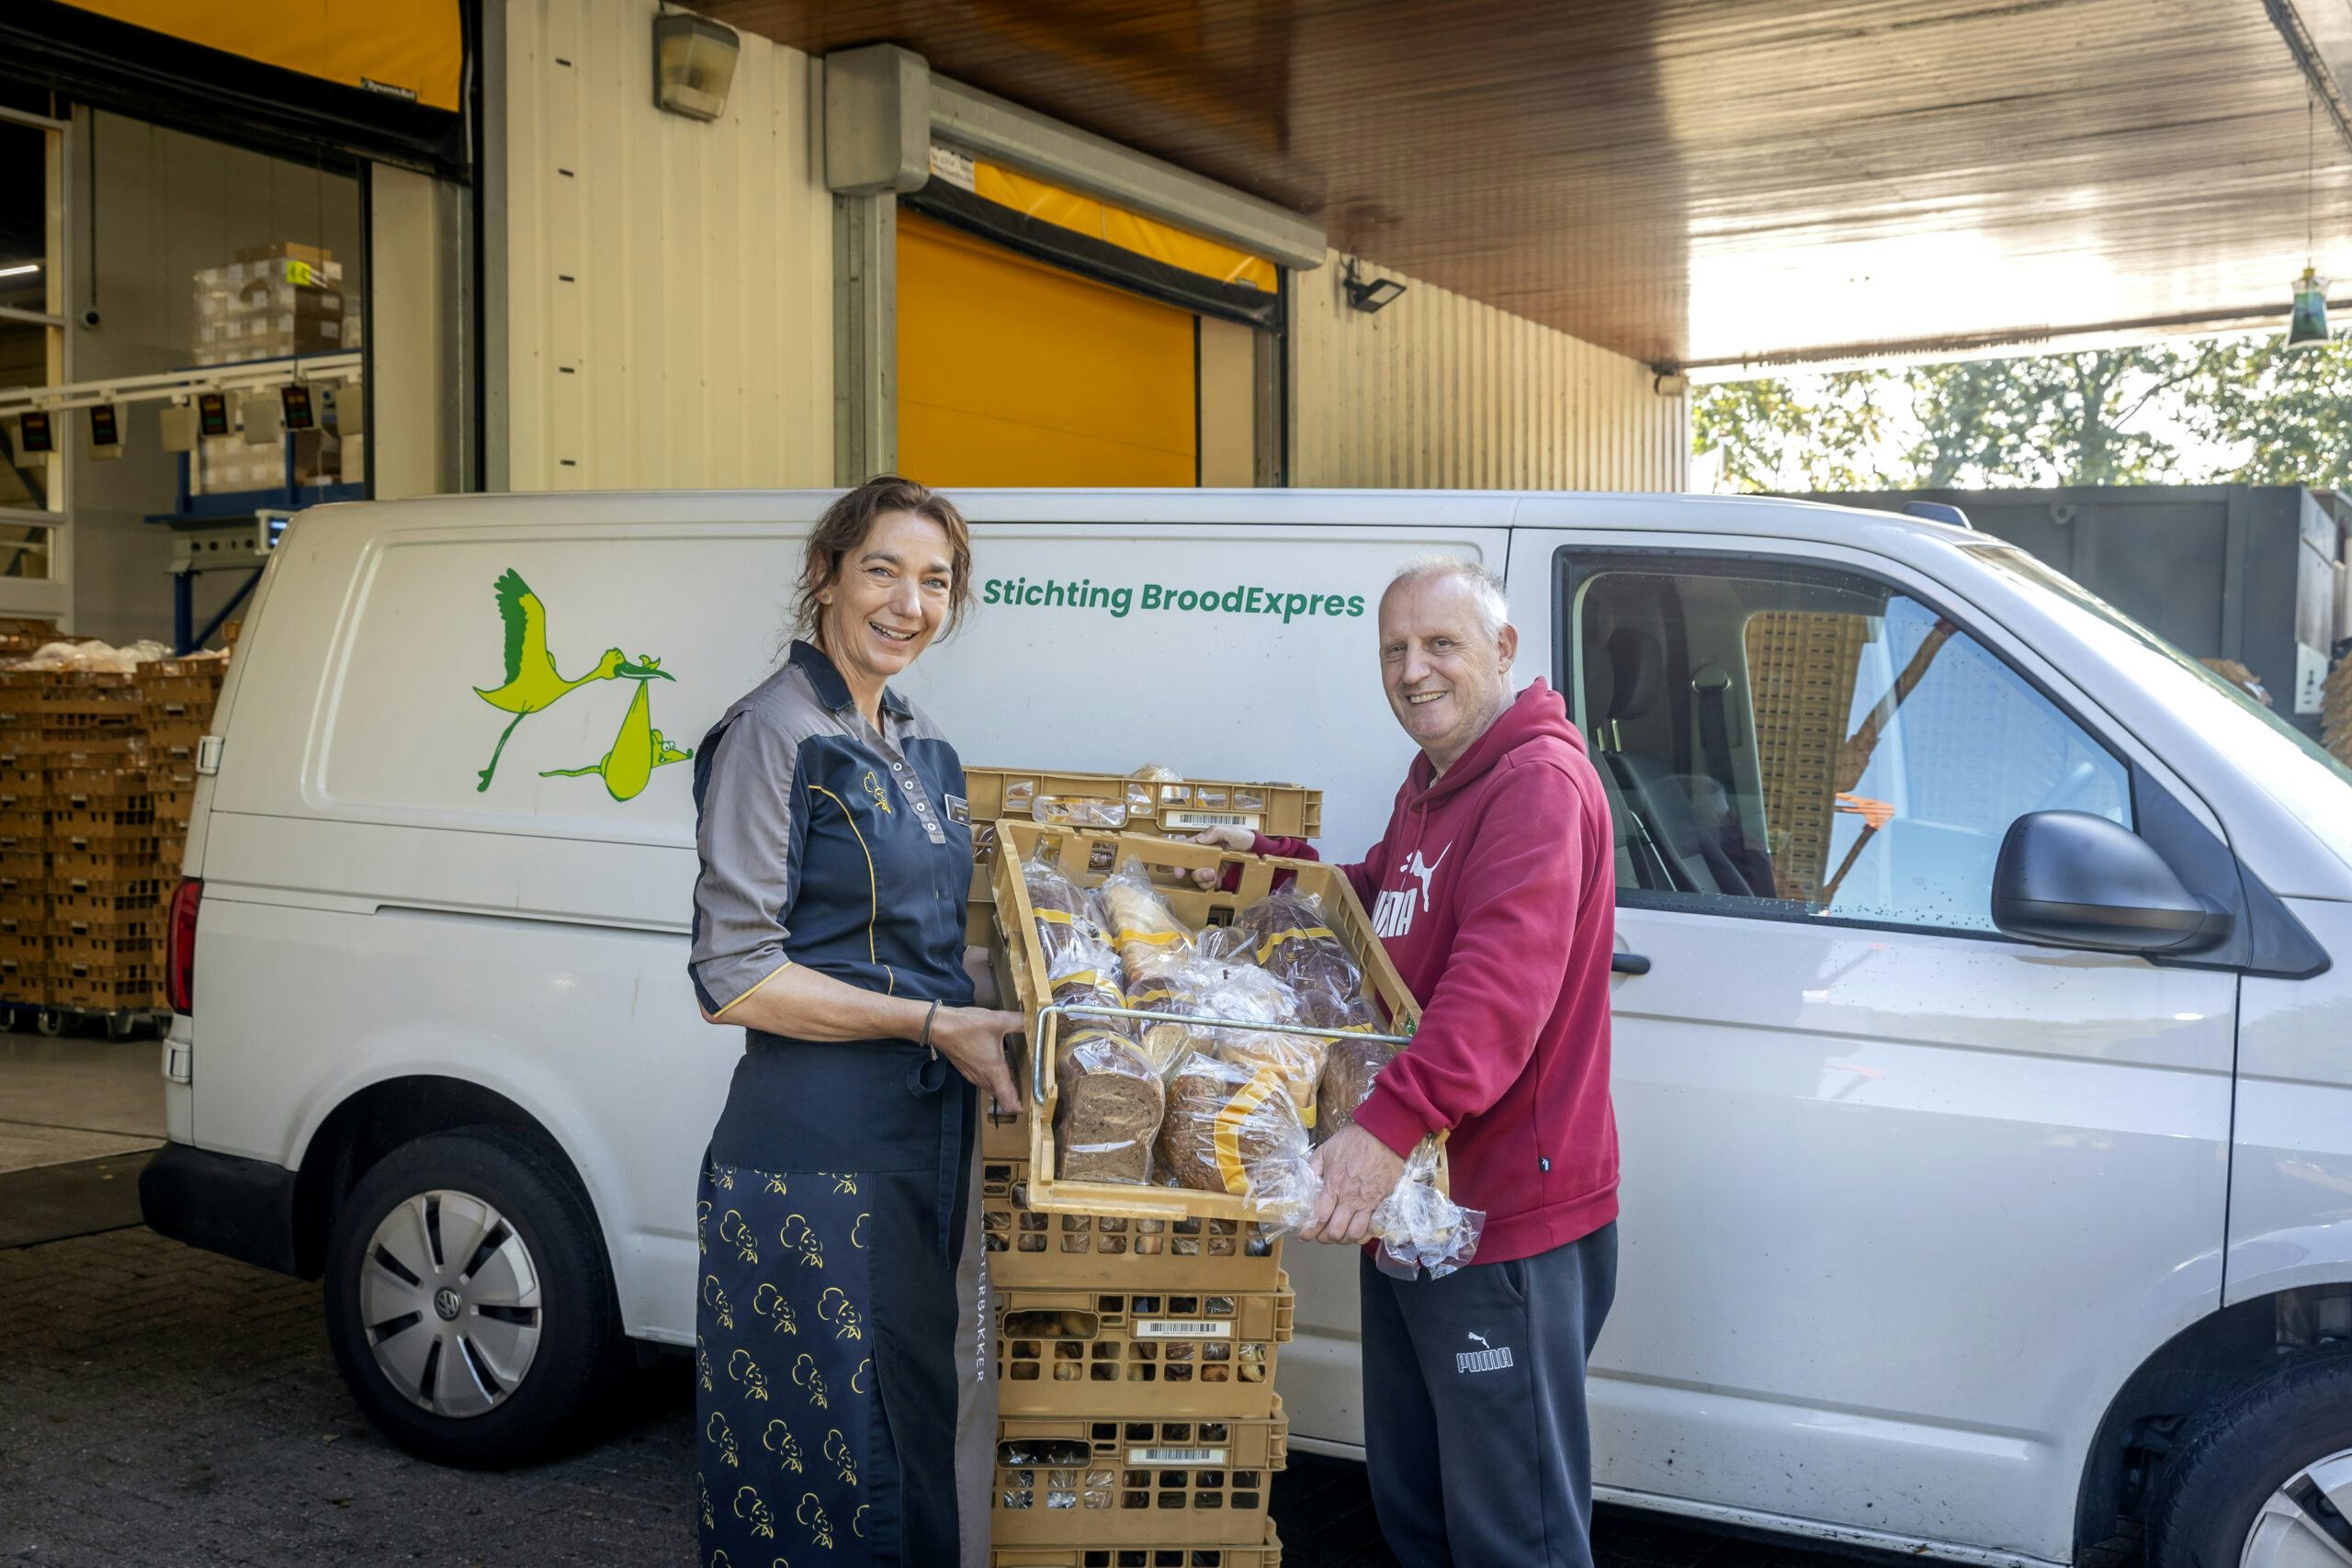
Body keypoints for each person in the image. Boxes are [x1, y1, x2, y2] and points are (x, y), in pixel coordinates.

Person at [1194, 555, 1621, 1568]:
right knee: (1422, 1510)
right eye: (1394, 650)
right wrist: (1262, 868)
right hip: (1420, 1207)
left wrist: (1383, 1130)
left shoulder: (1535, 786)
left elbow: (1496, 995)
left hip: (1498, 1218)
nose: (1413, 671)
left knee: (1515, 1534)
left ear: (1504, 650)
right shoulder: (1436, 781)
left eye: (1440, 644)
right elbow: (1379, 904)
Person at [687, 477, 1022, 1568]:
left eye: (935, 581)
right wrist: (934, 1025)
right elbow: (733, 976)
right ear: (826, 575)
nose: (907, 602)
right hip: (815, 1162)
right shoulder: (774, 734)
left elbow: (922, 945)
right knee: (837, 1468)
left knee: (907, 1437)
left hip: (915, 1148)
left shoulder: (921, 744)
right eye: (883, 568)